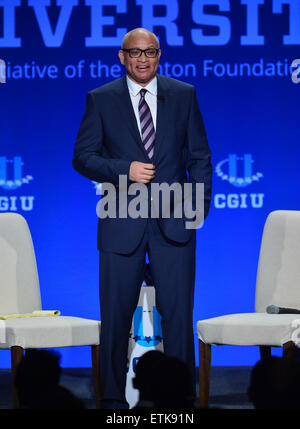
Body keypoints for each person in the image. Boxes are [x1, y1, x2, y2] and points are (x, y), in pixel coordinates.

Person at [73, 27, 212, 409]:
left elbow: (199, 155)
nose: (142, 59)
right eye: (134, 53)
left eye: (149, 52)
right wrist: (124, 169)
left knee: (179, 317)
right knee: (116, 319)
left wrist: (195, 208)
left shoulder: (183, 94)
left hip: (173, 222)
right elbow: (82, 158)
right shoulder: (101, 99)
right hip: (121, 220)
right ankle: (114, 400)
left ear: (159, 55)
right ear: (122, 57)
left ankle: (180, 399)